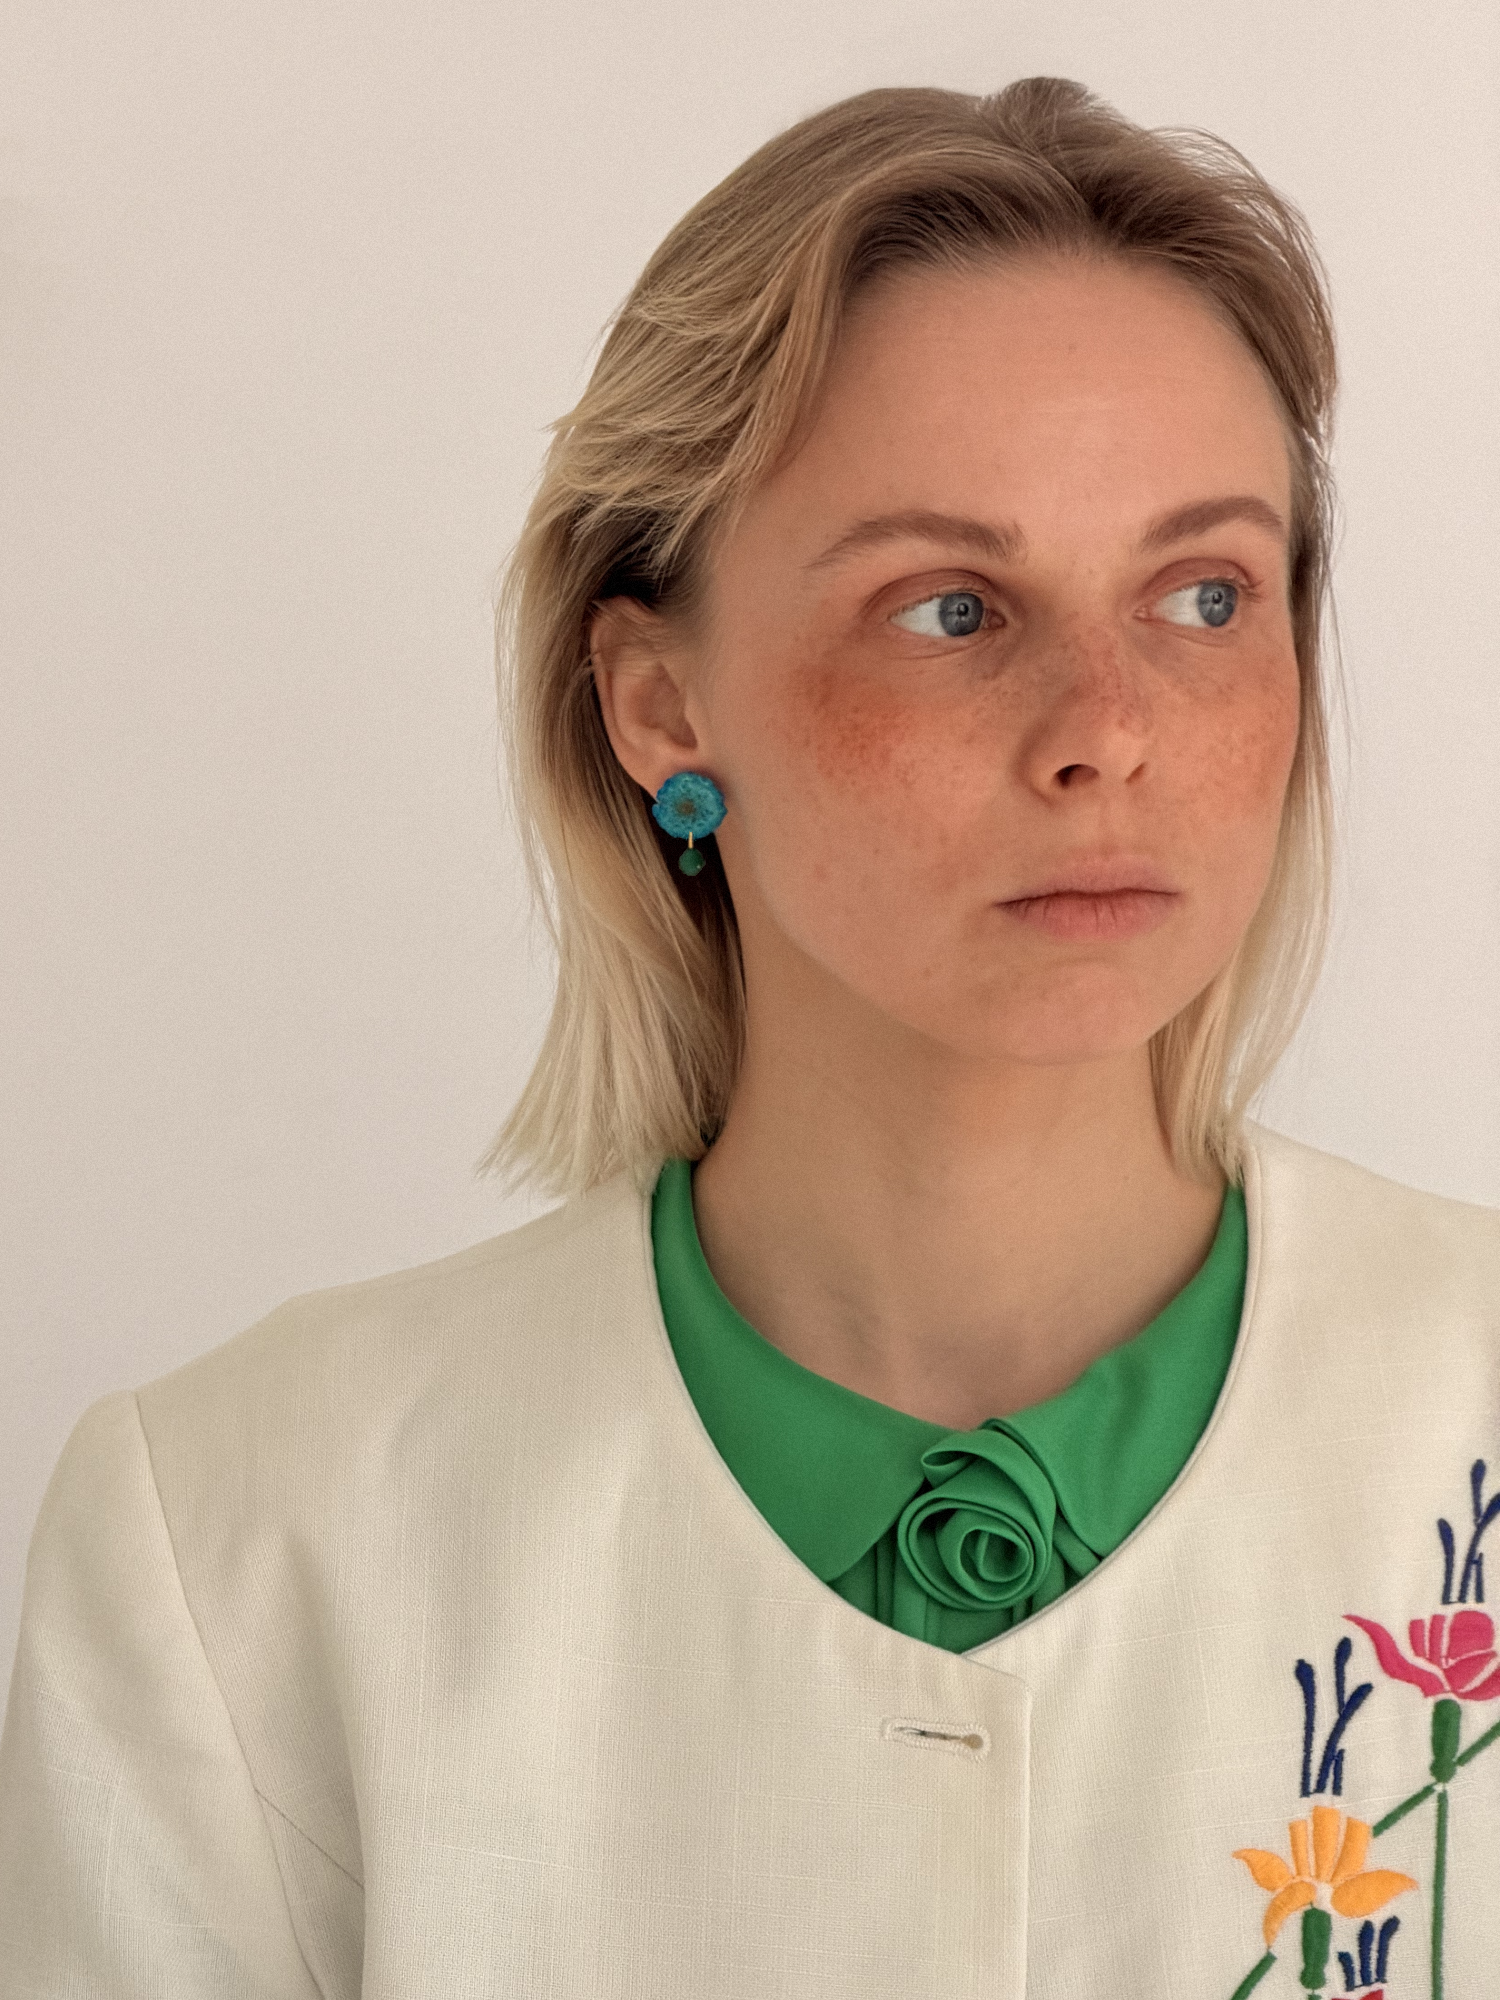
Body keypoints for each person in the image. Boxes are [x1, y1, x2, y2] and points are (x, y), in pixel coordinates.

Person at [1, 75, 1496, 2000]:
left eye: (1204, 594)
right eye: (950, 609)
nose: (1105, 728)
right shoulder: (239, 1545)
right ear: (658, 704)